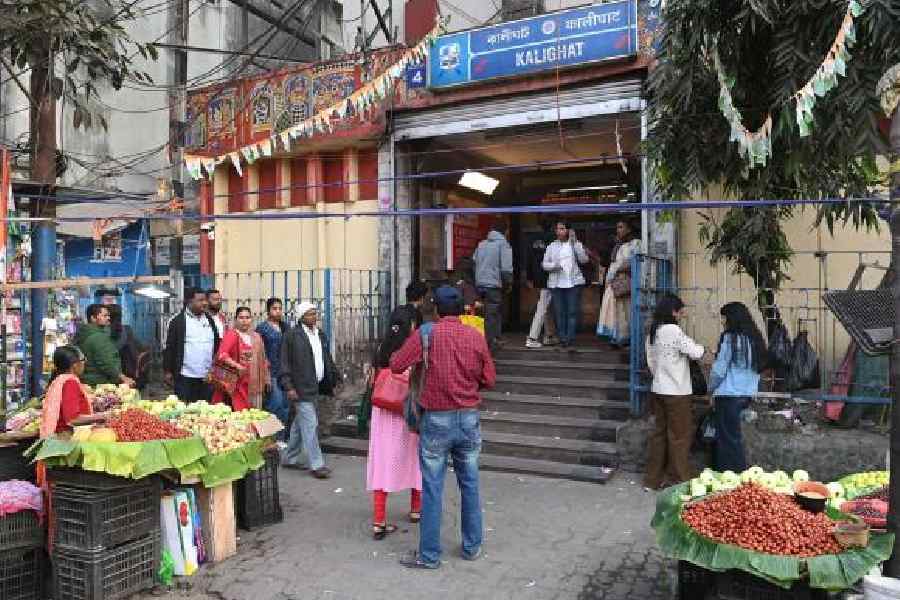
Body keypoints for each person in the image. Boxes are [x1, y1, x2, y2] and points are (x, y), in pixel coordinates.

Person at [390, 286, 496, 570]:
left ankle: (429, 555)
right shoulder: (475, 336)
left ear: (435, 309)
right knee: (470, 484)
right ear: (463, 309)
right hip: (469, 418)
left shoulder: (426, 333)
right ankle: (472, 547)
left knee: (433, 488)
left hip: (436, 419)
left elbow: (396, 364)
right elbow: (489, 379)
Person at [367, 312, 423, 540]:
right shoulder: (412, 348)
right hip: (405, 411)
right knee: (414, 459)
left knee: (383, 462)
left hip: (382, 412)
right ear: (410, 325)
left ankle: (379, 521)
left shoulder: (381, 348)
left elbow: (371, 380)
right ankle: (416, 510)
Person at [643, 293, 706, 491]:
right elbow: (695, 352)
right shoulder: (672, 330)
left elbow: (651, 362)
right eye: (679, 311)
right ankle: (678, 479)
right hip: (677, 391)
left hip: (658, 389)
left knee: (659, 435)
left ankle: (652, 480)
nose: (680, 315)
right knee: (679, 436)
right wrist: (705, 349)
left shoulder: (653, 331)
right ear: (672, 311)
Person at [280, 302, 338, 479]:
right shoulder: (292, 336)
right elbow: (284, 363)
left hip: (316, 386)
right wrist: (288, 387)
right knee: (310, 424)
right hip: (299, 387)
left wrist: (333, 375)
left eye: (315, 313)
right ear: (301, 317)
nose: (314, 317)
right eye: (310, 314)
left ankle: (289, 457)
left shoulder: (319, 334)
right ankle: (317, 464)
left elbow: (325, 357)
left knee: (300, 425)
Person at [710, 302, 764, 472]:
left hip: (728, 395)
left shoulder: (730, 338)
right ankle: (736, 477)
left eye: (724, 317)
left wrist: (710, 388)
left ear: (731, 318)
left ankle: (732, 477)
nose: (722, 321)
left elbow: (719, 370)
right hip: (746, 394)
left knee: (727, 440)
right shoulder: (755, 339)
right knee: (734, 438)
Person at [164, 288, 222, 402]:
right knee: (185, 412)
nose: (205, 303)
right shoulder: (177, 322)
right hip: (185, 377)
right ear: (189, 302)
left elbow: (216, 345)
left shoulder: (210, 320)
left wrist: (215, 370)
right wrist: (167, 371)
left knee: (206, 412)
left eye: (205, 300)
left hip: (207, 377)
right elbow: (170, 347)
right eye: (200, 300)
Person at [212, 307, 269, 411]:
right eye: (241, 317)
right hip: (236, 383)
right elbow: (222, 355)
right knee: (239, 412)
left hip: (253, 382)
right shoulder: (232, 334)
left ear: (251, 319)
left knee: (253, 413)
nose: (244, 320)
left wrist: (266, 378)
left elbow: (263, 359)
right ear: (235, 319)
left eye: (247, 317)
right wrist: (237, 366)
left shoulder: (257, 337)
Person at [542, 221, 589, 348]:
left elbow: (585, 260)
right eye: (557, 229)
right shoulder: (552, 246)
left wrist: (575, 243)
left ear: (568, 230)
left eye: (562, 229)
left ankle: (570, 338)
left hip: (573, 284)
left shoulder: (575, 244)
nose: (559, 231)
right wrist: (555, 266)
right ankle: (563, 338)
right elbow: (544, 264)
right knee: (559, 312)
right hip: (556, 285)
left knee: (572, 312)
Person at [597, 219, 641, 346]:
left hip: (628, 281)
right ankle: (617, 338)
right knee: (617, 311)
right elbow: (612, 264)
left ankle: (629, 339)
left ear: (629, 229)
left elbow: (634, 261)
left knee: (628, 311)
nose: (618, 230)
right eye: (617, 227)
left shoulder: (636, 243)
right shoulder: (618, 246)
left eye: (621, 227)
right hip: (615, 282)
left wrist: (619, 268)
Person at [473, 219, 513, 351]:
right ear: (505, 231)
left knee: (482, 313)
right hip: (493, 285)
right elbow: (506, 268)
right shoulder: (503, 245)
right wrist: (508, 283)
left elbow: (474, 262)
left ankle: (487, 339)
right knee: (493, 313)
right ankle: (490, 343)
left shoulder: (481, 244)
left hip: (480, 284)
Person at [75, 304, 135, 387]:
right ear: (93, 318)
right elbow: (106, 362)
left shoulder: (84, 333)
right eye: (105, 316)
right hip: (100, 382)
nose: (108, 318)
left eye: (108, 315)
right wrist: (122, 377)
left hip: (88, 380)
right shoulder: (98, 337)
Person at [40, 346, 93, 437]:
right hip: (66, 437)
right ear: (75, 365)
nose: (84, 363)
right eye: (83, 359)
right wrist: (104, 416)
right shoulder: (70, 383)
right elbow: (73, 419)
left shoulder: (60, 379)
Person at [257, 298, 289, 429]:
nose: (278, 312)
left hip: (285, 372)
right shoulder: (262, 328)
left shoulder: (285, 327)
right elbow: (259, 352)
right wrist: (265, 375)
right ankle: (271, 438)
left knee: (285, 406)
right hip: (271, 372)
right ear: (268, 311)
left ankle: (282, 438)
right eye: (274, 309)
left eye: (280, 309)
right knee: (275, 404)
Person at [525, 224, 558, 348]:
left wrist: (529, 277)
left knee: (545, 307)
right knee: (543, 307)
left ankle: (549, 335)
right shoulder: (554, 241)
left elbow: (529, 259)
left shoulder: (533, 239)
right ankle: (532, 337)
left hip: (538, 277)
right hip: (551, 277)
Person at [107, 304, 151, 390]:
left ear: (109, 317)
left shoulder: (105, 333)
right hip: (131, 374)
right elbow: (142, 348)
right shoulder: (127, 330)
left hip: (117, 375)